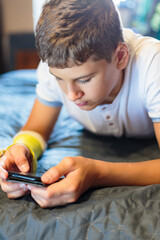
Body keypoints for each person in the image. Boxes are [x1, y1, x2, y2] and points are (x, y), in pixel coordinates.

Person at [0, 0, 160, 208]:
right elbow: (37, 129)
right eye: (59, 79)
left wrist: (97, 173)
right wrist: (22, 149)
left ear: (120, 57)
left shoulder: (152, 67)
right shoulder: (56, 64)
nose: (71, 95)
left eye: (84, 80)